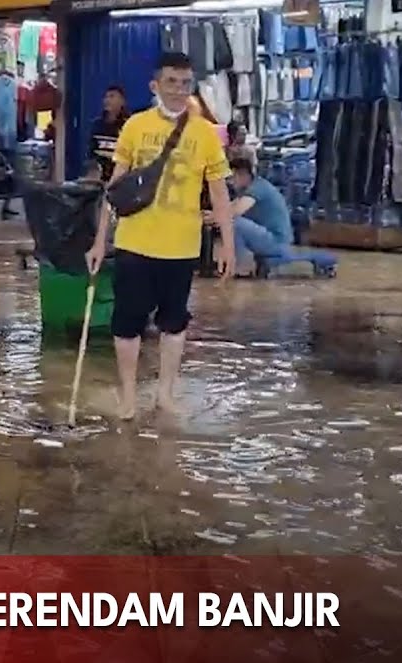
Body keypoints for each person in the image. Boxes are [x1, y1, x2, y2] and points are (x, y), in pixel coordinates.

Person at [85, 52, 236, 421]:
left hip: (182, 247)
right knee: (127, 323)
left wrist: (226, 244)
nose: (179, 90)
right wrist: (100, 240)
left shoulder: (205, 133)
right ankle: (127, 397)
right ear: (155, 85)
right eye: (171, 82)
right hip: (134, 242)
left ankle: (165, 395)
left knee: (174, 322)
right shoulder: (135, 126)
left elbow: (218, 192)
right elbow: (115, 188)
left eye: (186, 83)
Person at [208, 156, 336, 274]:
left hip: (277, 241)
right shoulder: (246, 190)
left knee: (235, 223)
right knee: (231, 221)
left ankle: (240, 267)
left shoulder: (258, 188)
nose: (230, 182)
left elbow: (236, 211)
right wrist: (211, 216)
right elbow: (228, 208)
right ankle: (237, 264)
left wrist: (215, 217)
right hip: (271, 238)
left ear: (243, 175)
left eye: (232, 177)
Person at [88, 85, 129, 182]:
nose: (107, 100)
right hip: (100, 178)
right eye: (106, 97)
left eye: (112, 96)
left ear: (122, 101)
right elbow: (91, 152)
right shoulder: (97, 125)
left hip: (121, 179)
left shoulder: (129, 125)